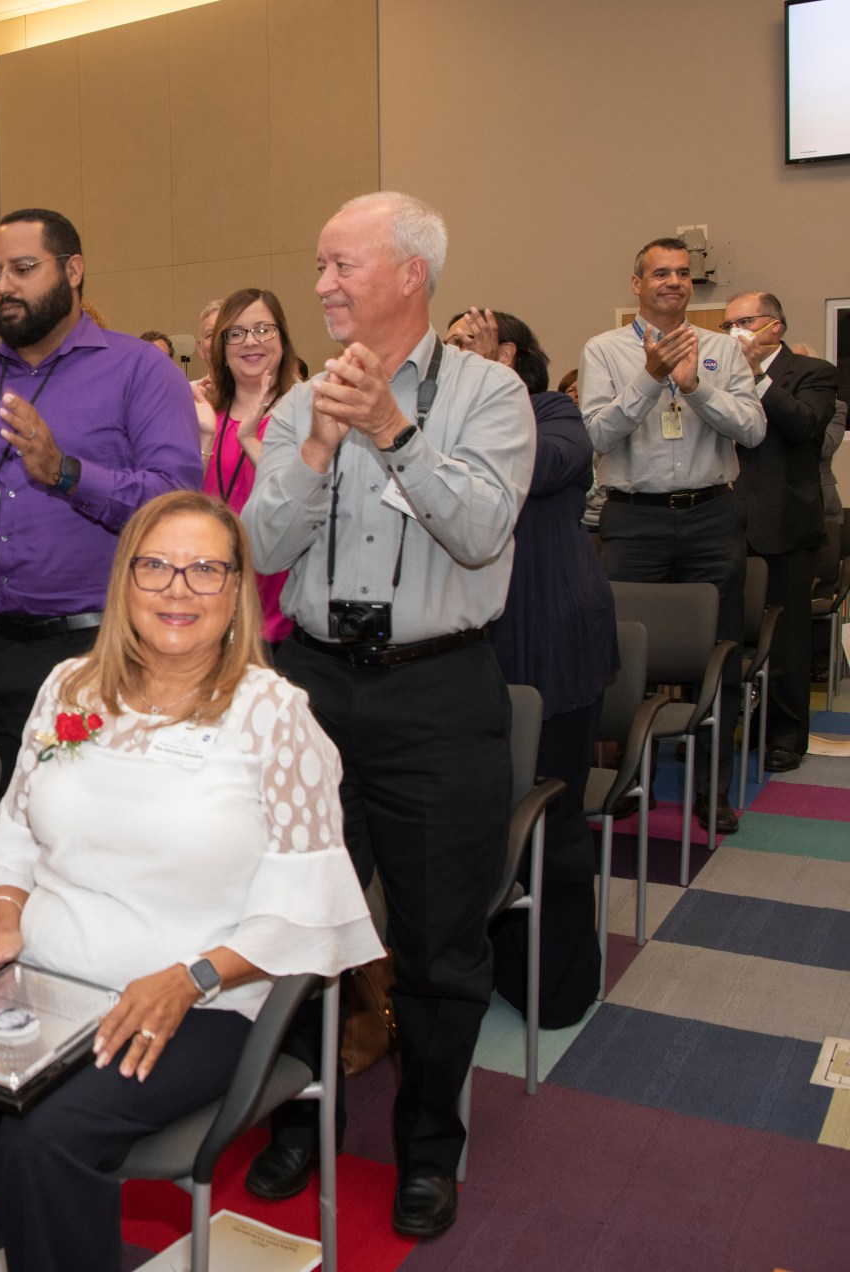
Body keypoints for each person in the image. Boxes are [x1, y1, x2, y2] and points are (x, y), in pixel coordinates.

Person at [0, 491, 378, 1272]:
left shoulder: (275, 717)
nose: (179, 589)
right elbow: (14, 830)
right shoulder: (70, 688)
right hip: (46, 983)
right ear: (124, 582)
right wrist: (6, 922)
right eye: (156, 567)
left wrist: (192, 977)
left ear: (237, 590)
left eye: (205, 570)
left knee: (44, 1143)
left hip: (197, 1001)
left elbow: (312, 910)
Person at [241, 191, 534, 1238]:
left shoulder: (489, 395)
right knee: (289, 924)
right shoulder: (296, 402)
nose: (318, 284)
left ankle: (425, 1147)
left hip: (435, 690)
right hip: (310, 686)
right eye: (317, 265)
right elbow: (260, 548)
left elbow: (479, 529)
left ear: (408, 272)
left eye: (338, 264)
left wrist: (390, 431)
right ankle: (289, 1112)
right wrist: (318, 445)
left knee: (435, 946)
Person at [0, 208, 201, 782]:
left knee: (84, 839)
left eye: (22, 268)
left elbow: (179, 508)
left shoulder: (139, 370)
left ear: (73, 270)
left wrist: (65, 471)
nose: (5, 287)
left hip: (98, 653)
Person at [448, 308, 615, 1027]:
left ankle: (560, 985)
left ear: (507, 353)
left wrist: (484, 382)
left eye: (466, 346)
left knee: (552, 816)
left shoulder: (555, 415)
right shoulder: (447, 423)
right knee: (481, 824)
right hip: (477, 644)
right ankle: (495, 967)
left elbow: (530, 469)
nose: (450, 357)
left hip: (551, 638)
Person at [579, 238, 764, 833]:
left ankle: (713, 788)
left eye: (683, 273)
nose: (674, 282)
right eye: (661, 273)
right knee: (623, 652)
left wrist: (694, 387)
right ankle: (627, 779)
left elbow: (754, 430)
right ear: (636, 283)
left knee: (721, 654)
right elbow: (596, 437)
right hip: (633, 520)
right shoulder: (604, 350)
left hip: (713, 515)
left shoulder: (720, 350)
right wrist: (651, 379)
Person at [724, 292, 838, 773]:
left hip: (784, 524)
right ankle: (728, 727)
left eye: (743, 322)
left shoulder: (813, 372)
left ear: (774, 326)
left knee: (786, 640)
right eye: (728, 325)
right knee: (727, 634)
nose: (734, 333)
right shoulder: (717, 370)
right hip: (723, 521)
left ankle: (785, 736)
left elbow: (805, 424)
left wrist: (756, 376)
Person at [201, 288, 302, 643]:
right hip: (213, 614)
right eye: (236, 333)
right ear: (222, 347)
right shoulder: (203, 416)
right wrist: (203, 440)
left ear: (282, 338)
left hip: (286, 619)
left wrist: (252, 443)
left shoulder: (307, 414)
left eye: (263, 329)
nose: (250, 342)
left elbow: (309, 503)